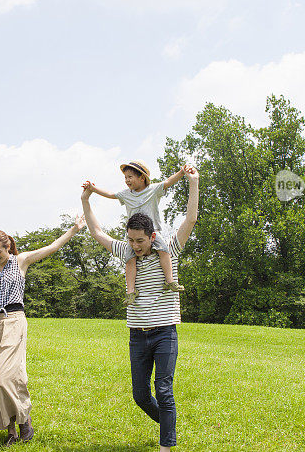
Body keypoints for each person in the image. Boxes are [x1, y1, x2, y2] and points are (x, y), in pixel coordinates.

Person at [81, 165, 199, 452]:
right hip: (137, 334)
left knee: (164, 390)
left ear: (152, 236)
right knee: (140, 396)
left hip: (164, 332)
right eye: (131, 240)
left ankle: (166, 446)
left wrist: (193, 184)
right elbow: (97, 232)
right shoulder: (126, 251)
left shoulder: (168, 249)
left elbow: (190, 220)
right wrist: (86, 200)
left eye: (140, 241)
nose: (134, 246)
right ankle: (168, 425)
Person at [0, 216, 85, 446]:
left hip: (14, 321)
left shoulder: (21, 261)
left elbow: (52, 247)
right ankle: (11, 429)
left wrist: (74, 229)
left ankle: (24, 418)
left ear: (7, 247)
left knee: (5, 376)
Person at [83, 160, 187, 306]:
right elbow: (111, 195)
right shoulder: (126, 194)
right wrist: (93, 189)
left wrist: (182, 172)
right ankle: (131, 292)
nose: (127, 180)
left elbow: (169, 181)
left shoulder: (153, 189)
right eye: (125, 177)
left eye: (130, 177)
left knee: (164, 251)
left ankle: (169, 281)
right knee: (129, 260)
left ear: (142, 178)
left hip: (153, 232)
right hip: (133, 236)